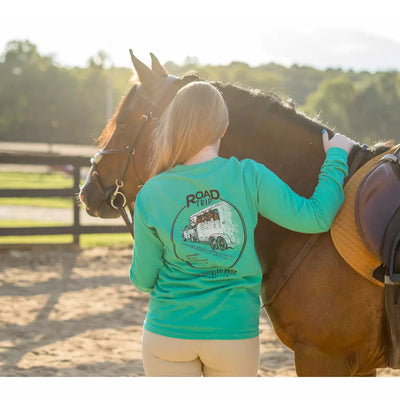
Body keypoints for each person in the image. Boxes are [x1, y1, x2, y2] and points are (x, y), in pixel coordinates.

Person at [129, 81, 354, 377]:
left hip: (168, 334)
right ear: (223, 129)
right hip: (232, 336)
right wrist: (336, 157)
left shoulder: (151, 192)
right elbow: (316, 216)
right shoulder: (250, 176)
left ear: (173, 126)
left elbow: (143, 280)